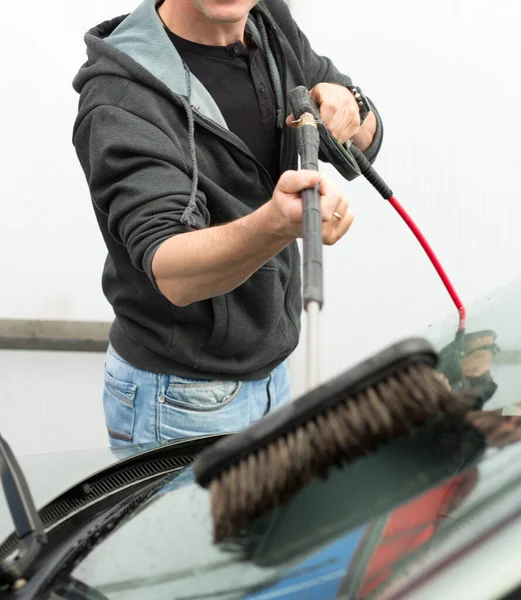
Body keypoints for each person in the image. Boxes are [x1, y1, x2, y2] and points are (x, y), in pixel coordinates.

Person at [72, 0, 384, 447]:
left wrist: (349, 106)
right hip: (179, 398)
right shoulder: (122, 94)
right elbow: (172, 270)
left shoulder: (270, 23)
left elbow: (367, 133)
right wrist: (277, 224)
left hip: (273, 373)